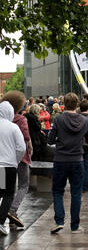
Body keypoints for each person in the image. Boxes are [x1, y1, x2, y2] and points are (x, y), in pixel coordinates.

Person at [48, 92, 88, 234]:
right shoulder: (84, 121)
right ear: (77, 104)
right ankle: (75, 225)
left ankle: (59, 220)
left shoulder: (59, 119)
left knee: (57, 191)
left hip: (60, 159)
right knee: (76, 193)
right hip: (77, 159)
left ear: (64, 104)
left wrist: (58, 141)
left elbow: (50, 139)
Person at [0, 91, 33, 229]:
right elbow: (21, 146)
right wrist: (16, 160)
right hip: (11, 163)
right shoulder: (16, 124)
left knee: (1, 190)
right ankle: (6, 215)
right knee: (14, 190)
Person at [0, 101, 26, 236]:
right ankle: (0, 221)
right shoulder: (13, 127)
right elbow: (21, 148)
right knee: (8, 194)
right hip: (9, 165)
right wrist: (15, 160)